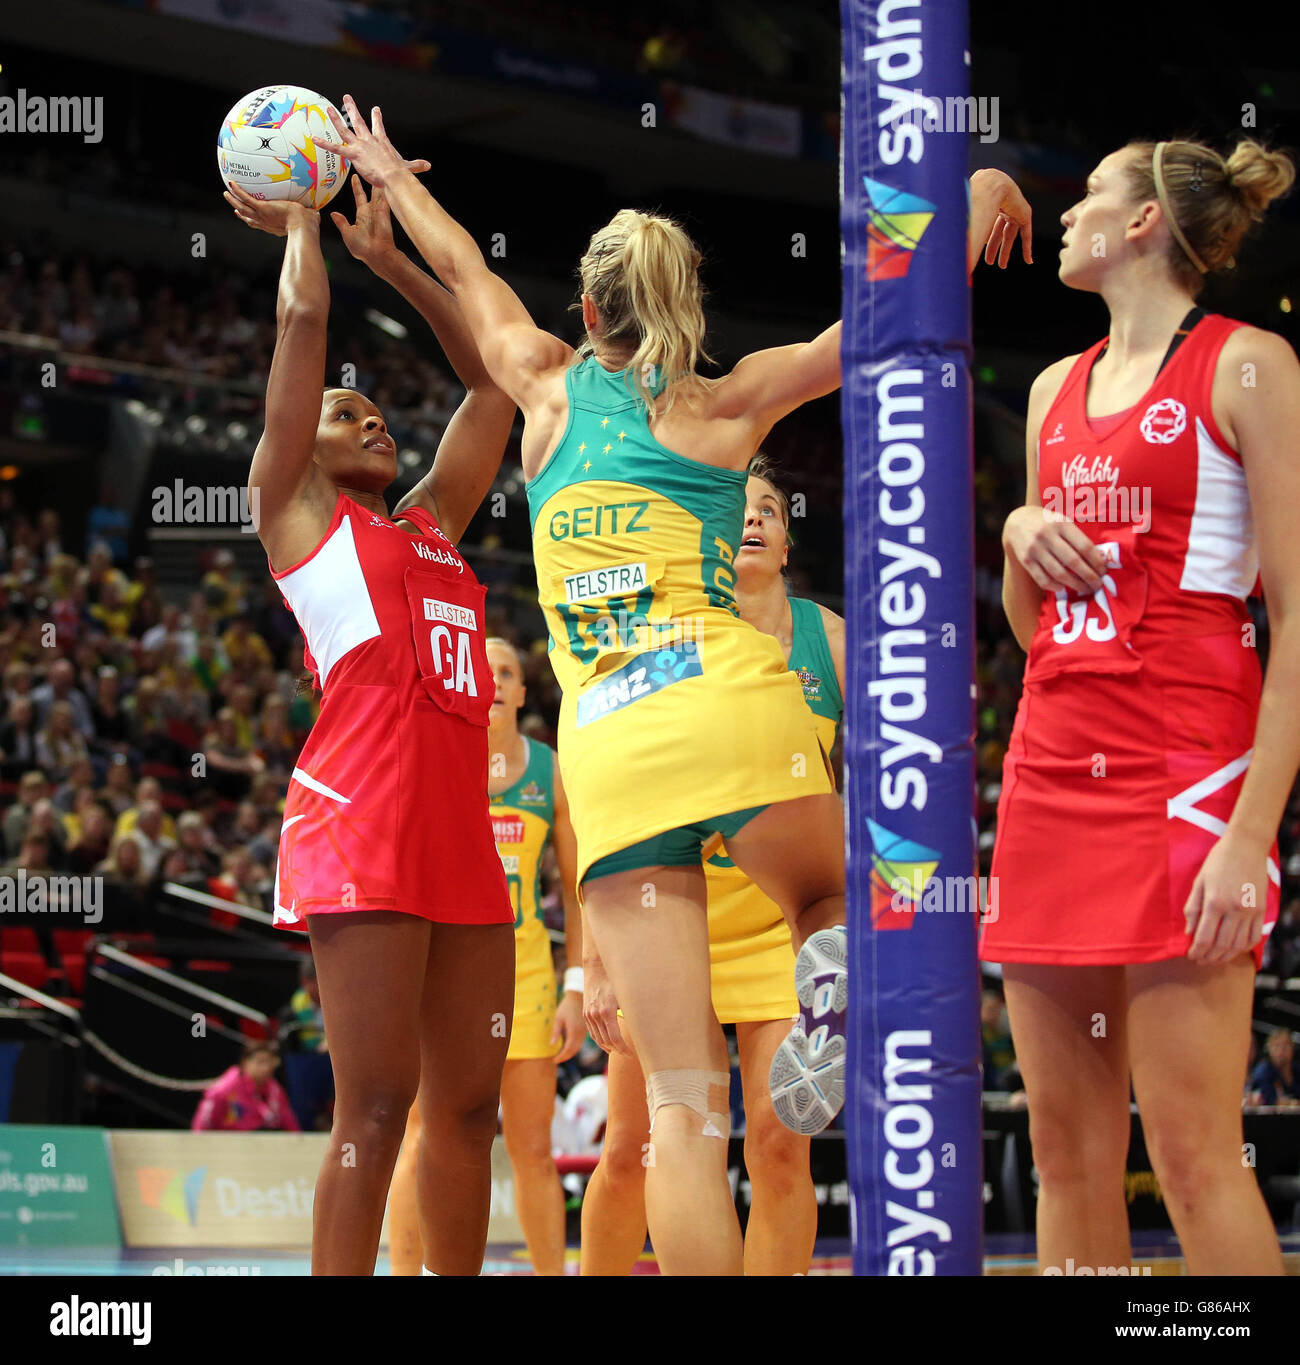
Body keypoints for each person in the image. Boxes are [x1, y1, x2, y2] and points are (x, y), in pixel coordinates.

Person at [318, 94, 1029, 1273]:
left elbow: (459, 262)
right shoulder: (726, 402)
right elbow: (877, 326)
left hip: (610, 738)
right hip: (730, 695)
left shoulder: (541, 384)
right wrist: (968, 203)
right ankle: (824, 972)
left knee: (682, 1120)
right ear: (679, 308)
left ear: (587, 309)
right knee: (826, 900)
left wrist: (387, 175)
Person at [987, 137, 1298, 1275]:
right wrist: (1018, 532)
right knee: (1064, 1154)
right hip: (1049, 764)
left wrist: (1250, 836)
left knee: (1191, 1155)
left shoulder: (1246, 363)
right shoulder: (1046, 391)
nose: (1067, 218)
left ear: (1143, 226)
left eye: (1088, 201)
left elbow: (1296, 611)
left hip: (1187, 776)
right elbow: (1035, 629)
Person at [224, 165, 518, 1276]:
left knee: (471, 1109)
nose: (372, 417)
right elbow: (303, 316)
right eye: (348, 411)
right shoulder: (294, 510)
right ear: (308, 443)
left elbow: (491, 383)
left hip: (457, 834)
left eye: (378, 408)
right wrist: (303, 219)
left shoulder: (432, 521)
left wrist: (397, 263)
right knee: (378, 1103)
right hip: (364, 827)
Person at [579, 458, 844, 1276]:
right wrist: (596, 958)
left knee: (779, 1144)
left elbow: (879, 786)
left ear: (789, 534)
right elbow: (613, 798)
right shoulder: (661, 635)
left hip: (780, 926)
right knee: (634, 1150)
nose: (755, 520)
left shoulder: (832, 639)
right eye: (741, 509)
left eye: (771, 508)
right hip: (668, 918)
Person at [388, 637, 584, 1276]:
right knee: (421, 1137)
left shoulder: (549, 770)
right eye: (483, 669)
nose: (494, 681)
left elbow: (580, 895)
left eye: (508, 672)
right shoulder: (435, 754)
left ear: (524, 693)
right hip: (440, 974)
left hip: (525, 977)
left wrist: (575, 986)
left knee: (532, 1151)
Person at [192, 1041, 300, 1132]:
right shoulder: (226, 1087)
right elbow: (203, 1123)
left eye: (270, 1062)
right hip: (229, 1145)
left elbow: (288, 1120)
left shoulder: (274, 1088)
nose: (266, 1068)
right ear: (245, 1062)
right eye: (260, 1062)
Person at [1248, 1028, 1299, 1107]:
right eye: (1277, 1046)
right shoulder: (1264, 1071)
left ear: (1293, 1047)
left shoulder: (1296, 1069)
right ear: (1269, 1048)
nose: (1281, 1050)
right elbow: (1270, 1101)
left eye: (1286, 1045)